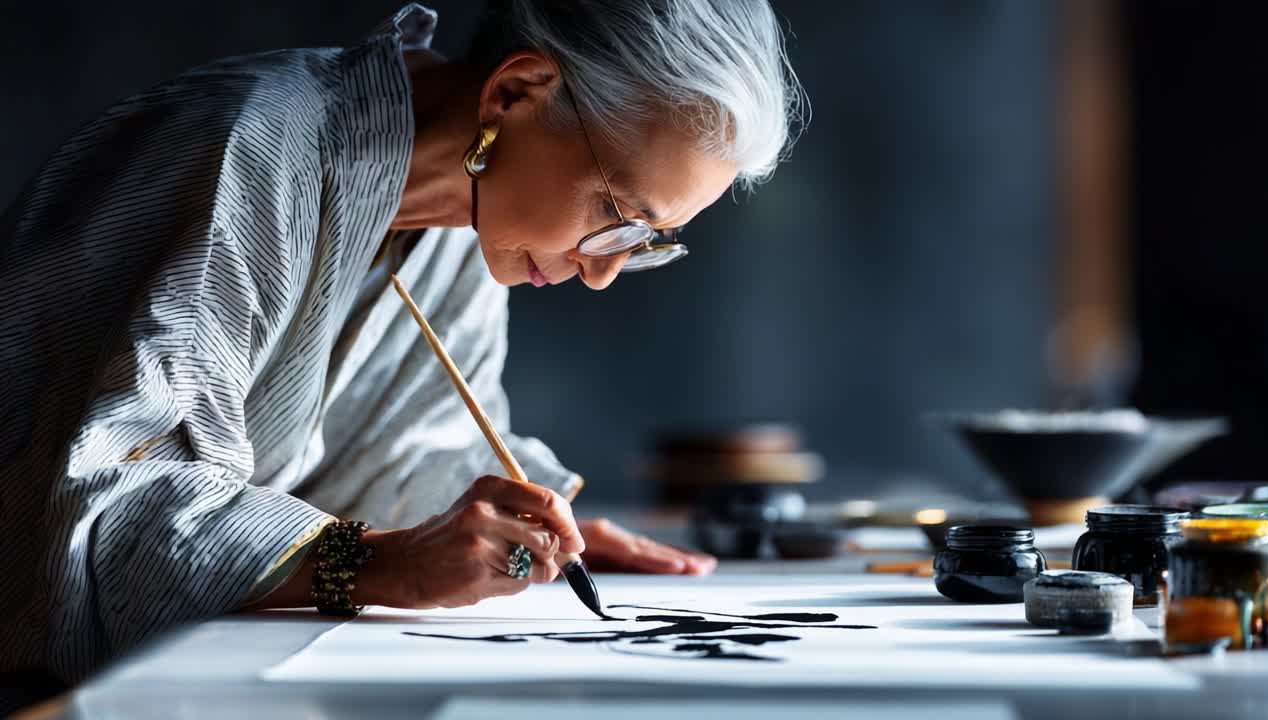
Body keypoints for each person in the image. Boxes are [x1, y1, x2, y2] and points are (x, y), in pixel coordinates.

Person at [0, 0, 804, 688]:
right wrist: (381, 565)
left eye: (650, 241)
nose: (602, 276)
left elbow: (400, 452)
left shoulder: (463, 226)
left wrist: (532, 526)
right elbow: (96, 509)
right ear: (517, 91)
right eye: (614, 215)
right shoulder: (247, 148)